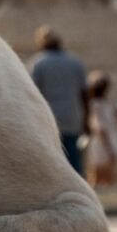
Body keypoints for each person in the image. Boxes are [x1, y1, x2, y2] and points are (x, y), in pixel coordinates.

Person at [29, 26, 88, 176]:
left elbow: (33, 94)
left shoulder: (38, 64)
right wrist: (86, 118)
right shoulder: (75, 62)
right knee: (74, 157)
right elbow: (84, 94)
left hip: (48, 119)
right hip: (72, 116)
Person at [86, 71, 117, 187]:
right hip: (103, 144)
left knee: (101, 178)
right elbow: (99, 128)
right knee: (101, 178)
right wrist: (109, 147)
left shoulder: (103, 105)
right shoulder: (98, 106)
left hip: (103, 144)